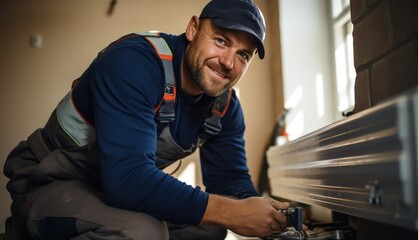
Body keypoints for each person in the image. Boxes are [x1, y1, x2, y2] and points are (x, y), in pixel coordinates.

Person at [3, 0, 291, 239]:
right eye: (220, 41)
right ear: (192, 29)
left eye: (243, 54)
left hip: (109, 190)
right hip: (49, 182)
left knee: (211, 231)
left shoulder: (224, 107)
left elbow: (230, 181)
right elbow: (128, 179)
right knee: (143, 233)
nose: (228, 63)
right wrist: (231, 212)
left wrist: (270, 216)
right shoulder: (134, 63)